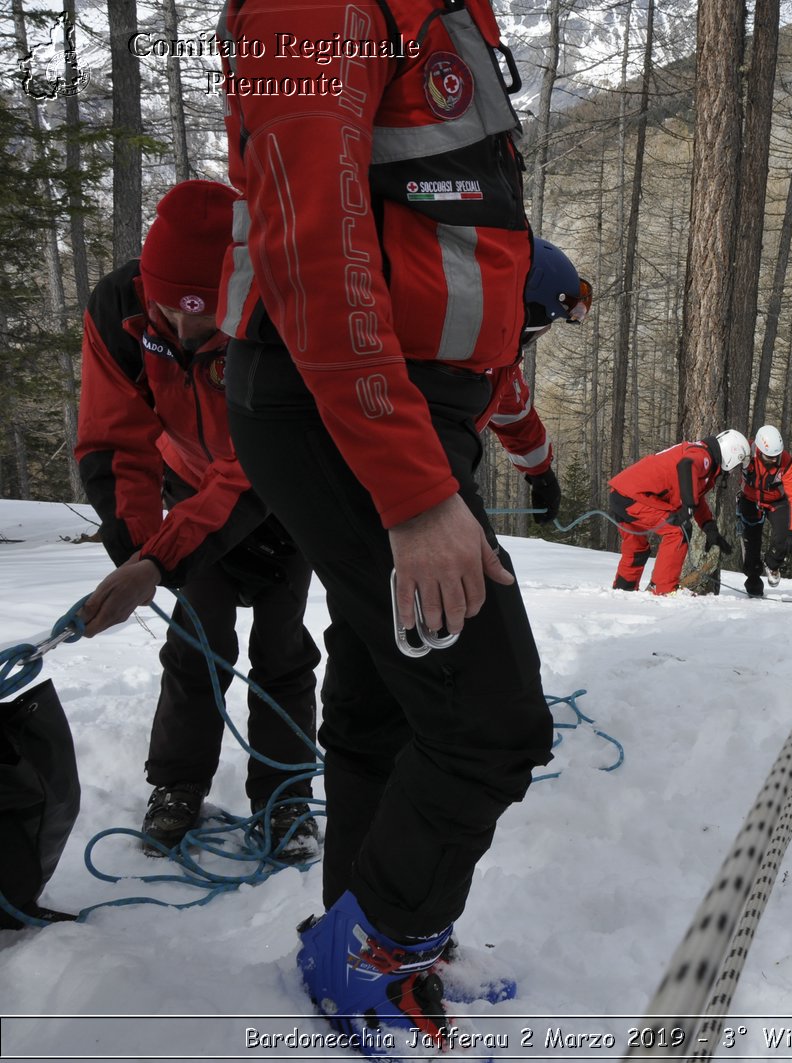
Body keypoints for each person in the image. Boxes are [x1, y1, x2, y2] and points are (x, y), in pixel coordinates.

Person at [217, 1, 559, 1048]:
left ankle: (367, 931)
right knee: (488, 719)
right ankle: (376, 951)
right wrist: (414, 495)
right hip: (354, 406)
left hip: (411, 402)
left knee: (397, 698)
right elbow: (314, 250)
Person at [73, 179, 320, 861]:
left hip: (281, 484)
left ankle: (286, 793)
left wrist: (160, 559)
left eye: (204, 316)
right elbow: (115, 437)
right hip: (186, 486)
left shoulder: (278, 316)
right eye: (167, 312)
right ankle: (177, 783)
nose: (183, 331)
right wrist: (137, 548)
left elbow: (253, 463)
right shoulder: (118, 308)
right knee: (198, 641)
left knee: (282, 643)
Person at [486, 237, 592, 526]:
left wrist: (541, 474)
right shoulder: (456, 350)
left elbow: (515, 417)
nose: (544, 332)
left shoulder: (498, 358)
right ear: (528, 312)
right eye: (549, 321)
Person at [607, 433, 747, 594]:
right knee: (678, 531)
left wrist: (709, 527)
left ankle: (622, 592)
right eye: (737, 464)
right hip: (634, 497)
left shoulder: (704, 456)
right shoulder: (703, 455)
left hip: (622, 495)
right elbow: (686, 466)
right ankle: (662, 589)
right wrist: (687, 507)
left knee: (637, 548)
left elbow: (696, 496)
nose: (733, 471)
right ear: (731, 455)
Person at [738, 425, 792, 597]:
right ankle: (753, 578)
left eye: (776, 456)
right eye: (769, 457)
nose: (774, 460)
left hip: (777, 501)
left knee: (783, 538)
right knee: (751, 545)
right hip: (750, 500)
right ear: (758, 449)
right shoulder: (745, 451)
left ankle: (772, 565)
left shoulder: (787, 463)